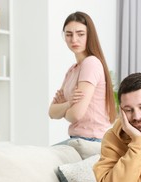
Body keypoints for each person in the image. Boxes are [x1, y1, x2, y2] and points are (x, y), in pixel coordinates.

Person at [48, 11, 117, 143]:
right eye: (69, 34)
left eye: (80, 34)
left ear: (89, 35)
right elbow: (51, 112)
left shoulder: (91, 63)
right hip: (77, 139)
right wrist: (69, 104)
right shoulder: (72, 70)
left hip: (91, 140)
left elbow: (75, 114)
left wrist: (63, 108)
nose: (74, 39)